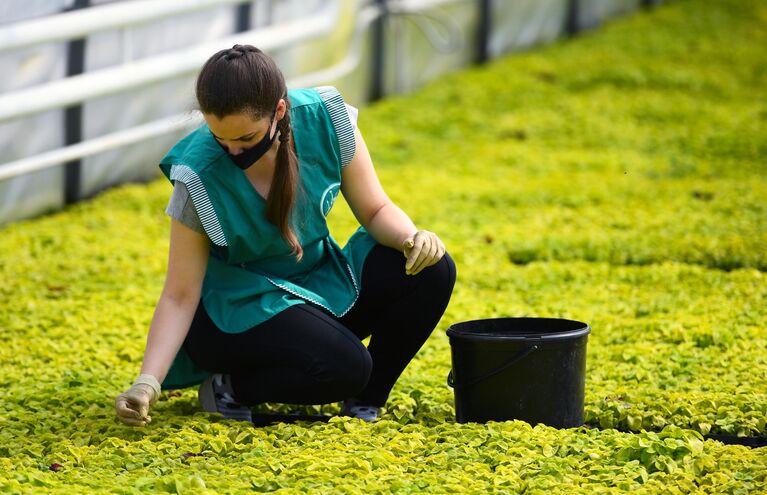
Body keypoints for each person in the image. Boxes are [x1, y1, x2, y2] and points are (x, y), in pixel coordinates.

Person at [115, 44, 456, 426]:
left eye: (245, 139)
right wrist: (147, 382)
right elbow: (180, 295)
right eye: (219, 139)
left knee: (431, 269)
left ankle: (365, 400)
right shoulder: (197, 174)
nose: (232, 151)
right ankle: (231, 387)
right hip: (237, 315)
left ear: (279, 111)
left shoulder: (326, 119)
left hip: (317, 286)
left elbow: (376, 210)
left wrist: (412, 237)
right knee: (345, 365)